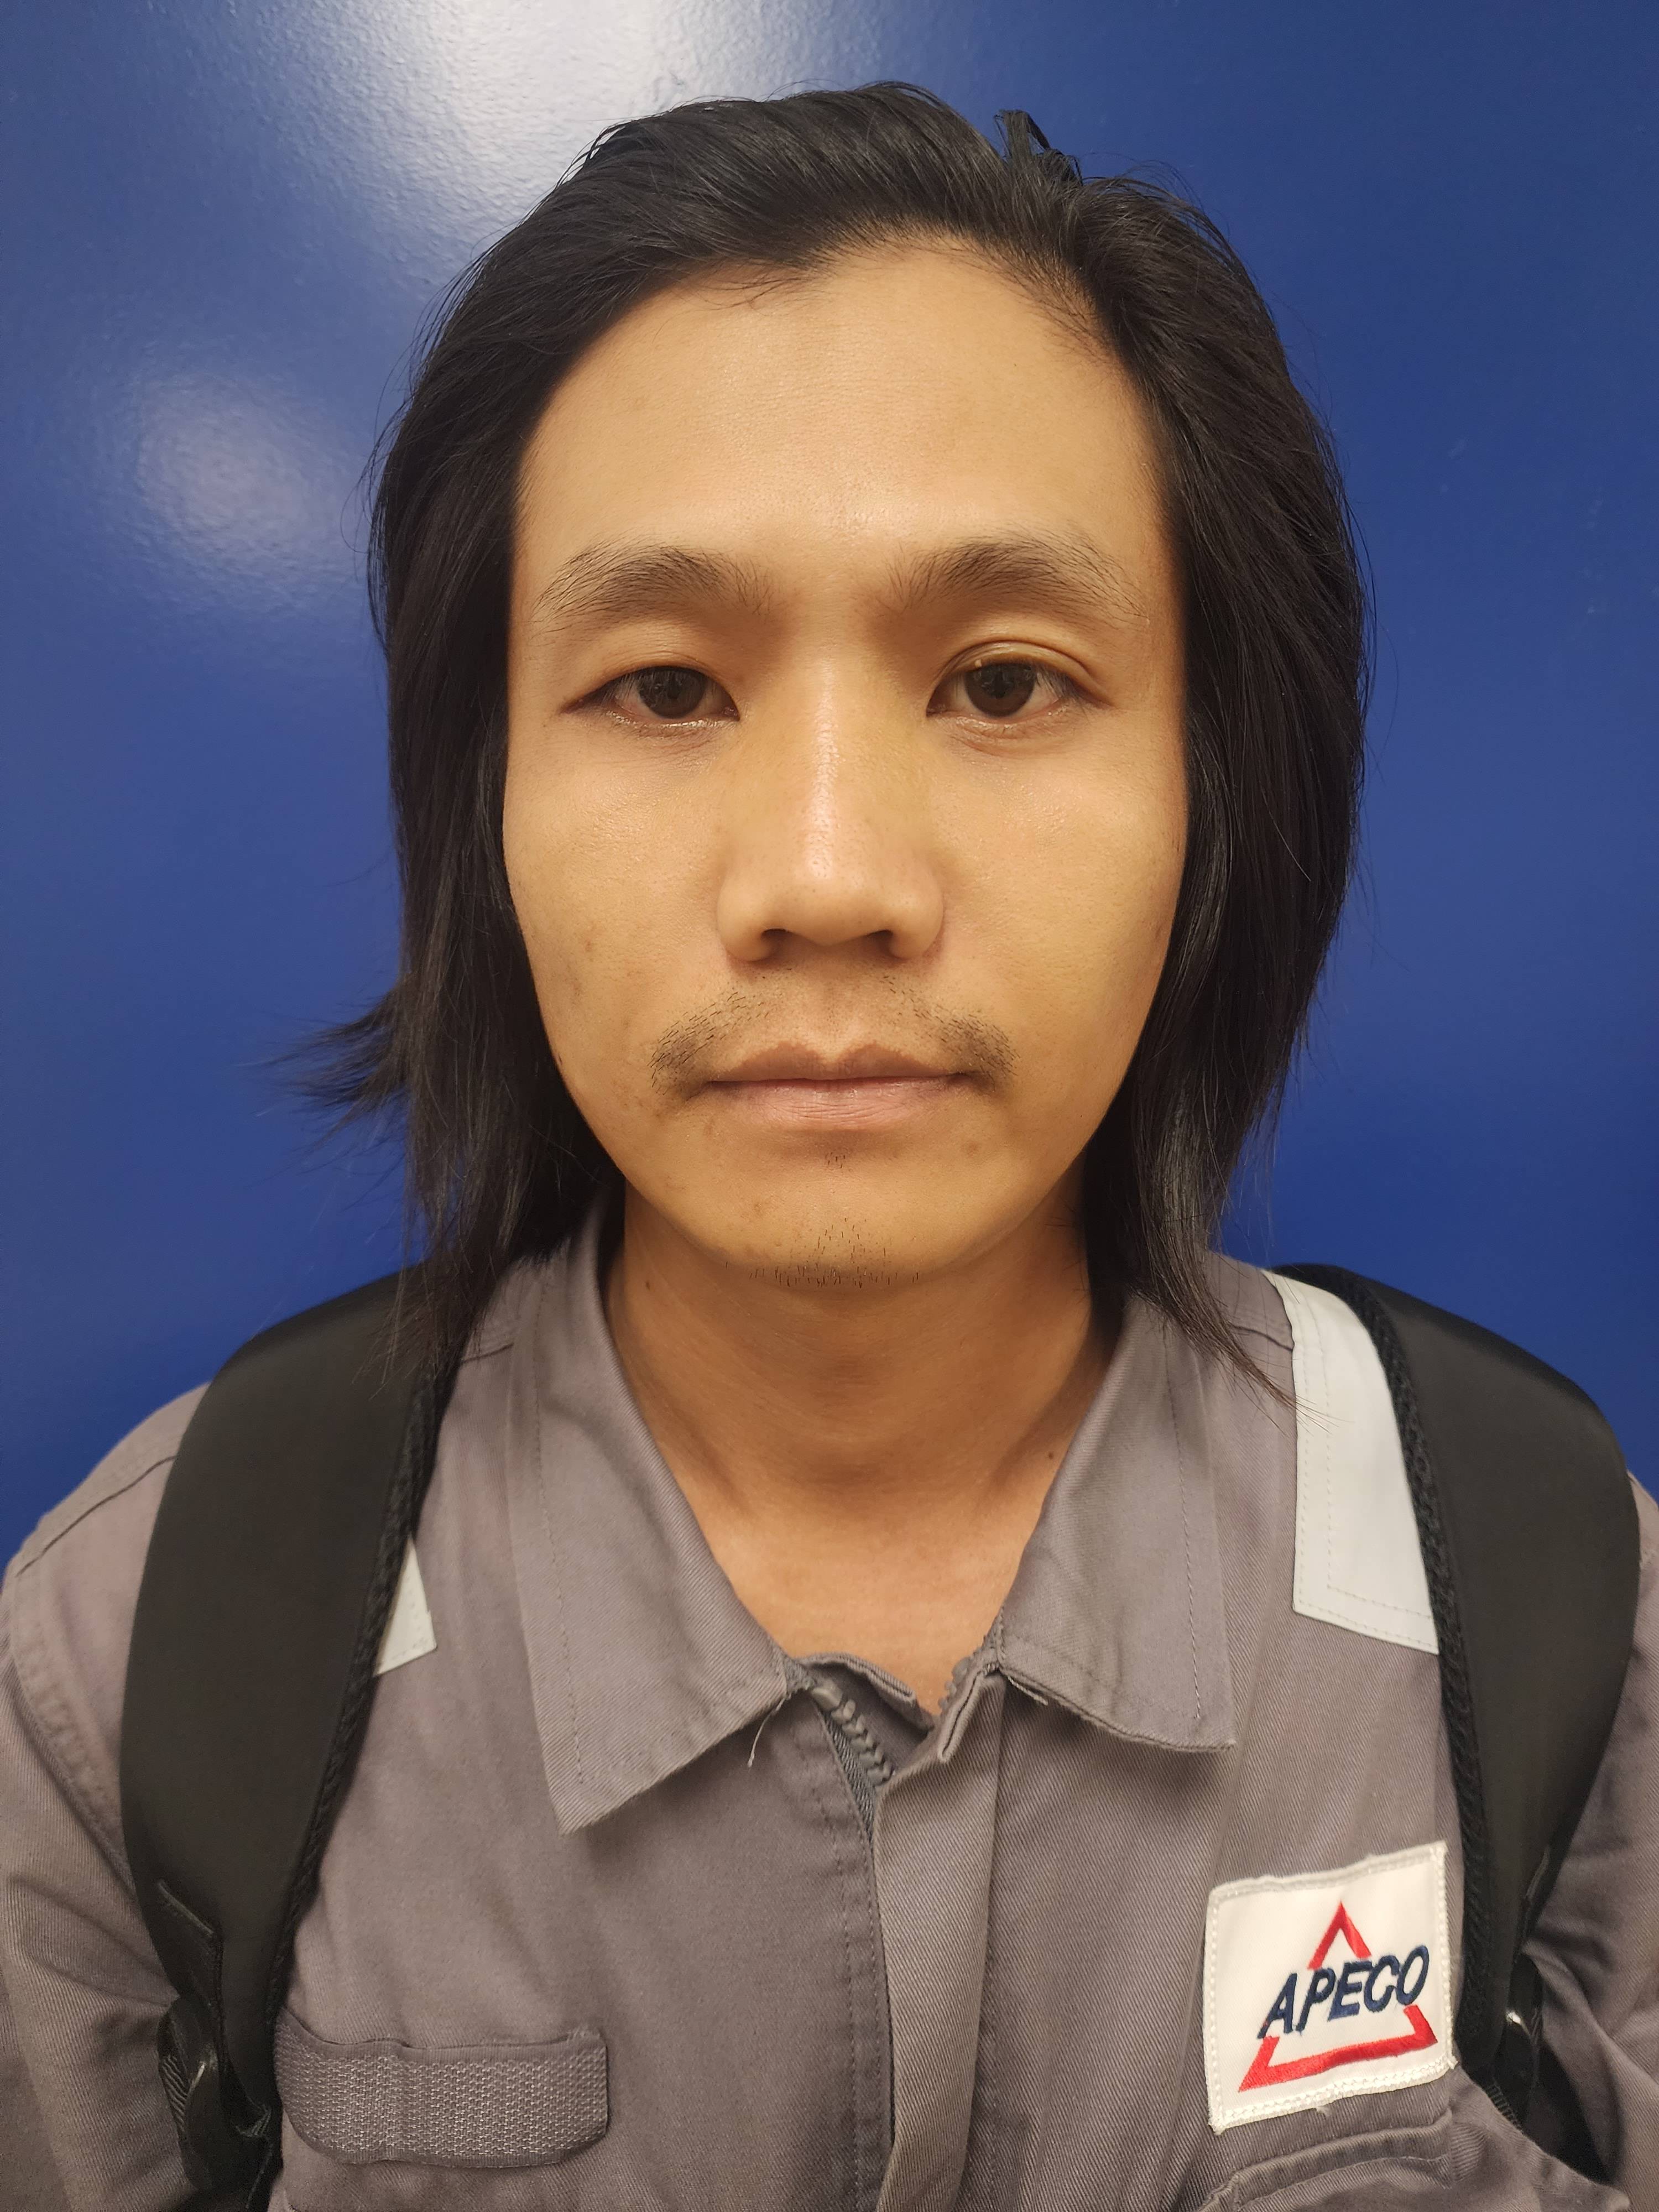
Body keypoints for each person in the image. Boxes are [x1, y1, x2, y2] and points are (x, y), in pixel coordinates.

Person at [1, 83, 1652, 2212]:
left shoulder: (1534, 1593)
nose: (828, 878)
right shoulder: (136, 1665)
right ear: (484, 808)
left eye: (1005, 683)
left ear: (1217, 800)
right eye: (665, 689)